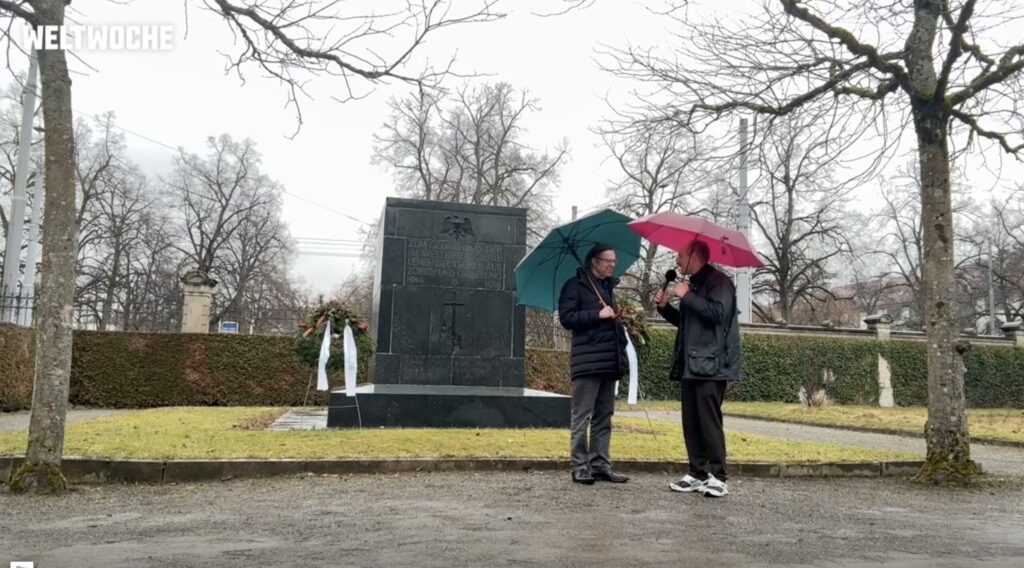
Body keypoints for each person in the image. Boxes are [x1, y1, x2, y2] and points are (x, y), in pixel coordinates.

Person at [654, 239, 741, 498]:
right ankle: (697, 472)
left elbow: (718, 314)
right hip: (691, 364)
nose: (677, 261)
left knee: (708, 422)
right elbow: (688, 322)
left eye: (679, 255)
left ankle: (718, 476)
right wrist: (665, 308)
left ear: (695, 256)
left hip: (712, 365)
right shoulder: (693, 284)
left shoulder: (719, 282)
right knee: (691, 421)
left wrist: (687, 296)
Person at [558, 243, 630, 485]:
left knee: (604, 416)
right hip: (587, 363)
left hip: (609, 362)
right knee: (582, 416)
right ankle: (579, 466)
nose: (612, 264)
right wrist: (596, 315)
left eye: (614, 261)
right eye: (607, 260)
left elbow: (610, 324)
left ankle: (600, 464)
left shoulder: (609, 289)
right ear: (594, 261)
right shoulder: (574, 286)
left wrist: (619, 321)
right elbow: (567, 318)